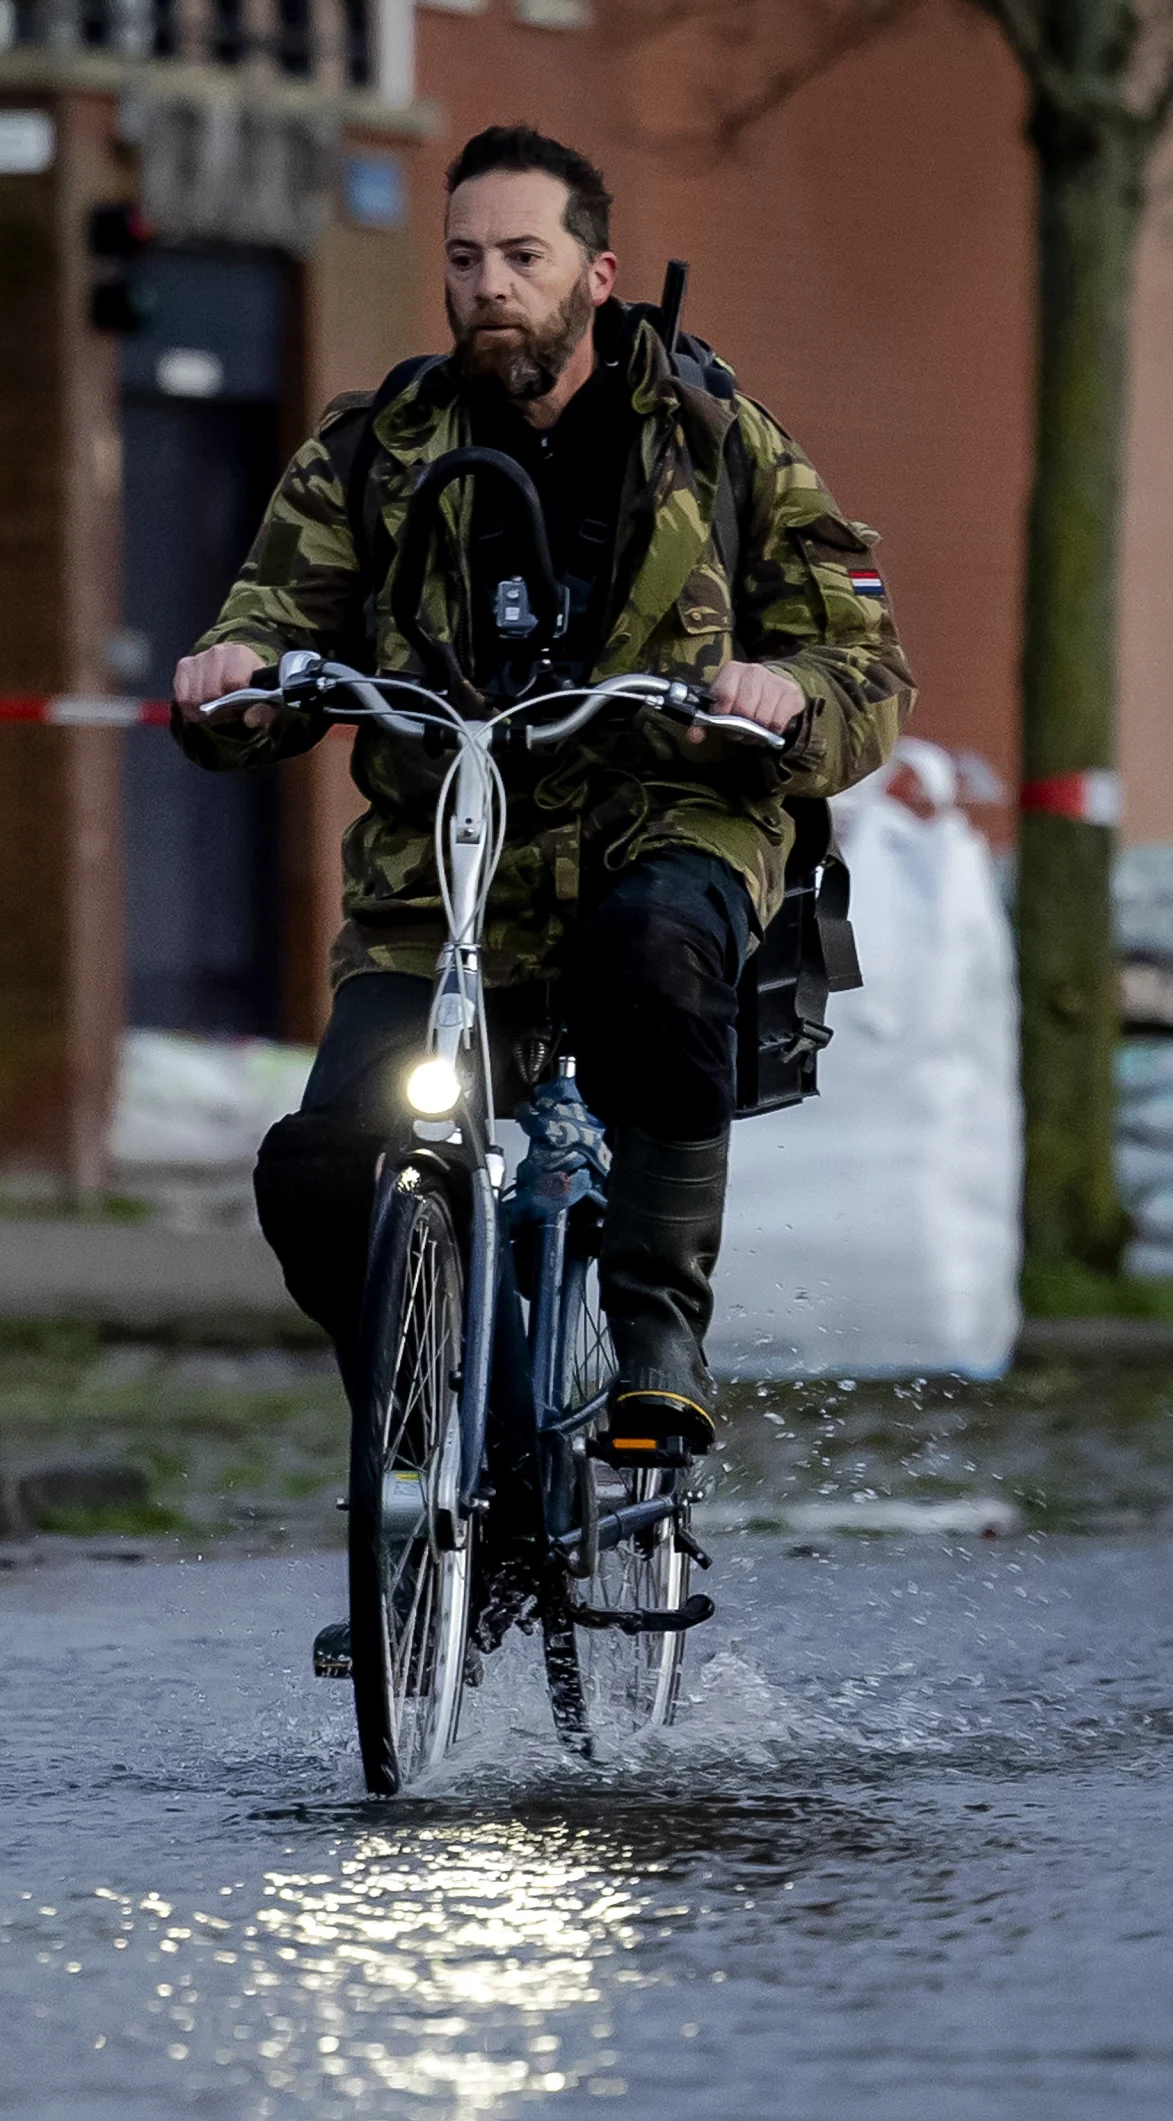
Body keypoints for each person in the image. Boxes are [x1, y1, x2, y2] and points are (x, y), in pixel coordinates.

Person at [174, 123, 912, 1457]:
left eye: (523, 255)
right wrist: (236, 674)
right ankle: (462, 1461)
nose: (490, 285)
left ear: (597, 273)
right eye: (464, 258)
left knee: (656, 950)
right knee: (325, 1170)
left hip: (664, 824)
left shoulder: (713, 438)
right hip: (443, 883)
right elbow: (268, 631)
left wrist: (785, 692)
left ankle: (655, 1337)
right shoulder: (375, 449)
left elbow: (863, 664)